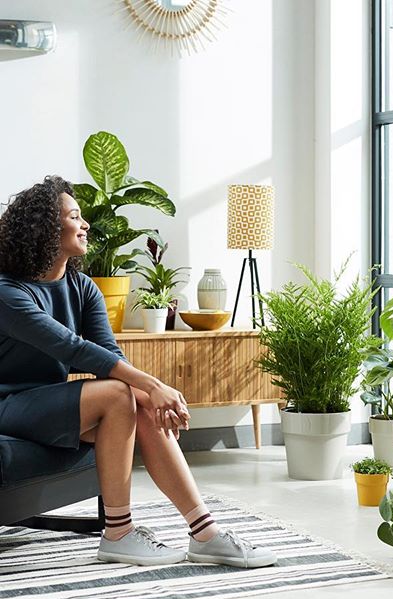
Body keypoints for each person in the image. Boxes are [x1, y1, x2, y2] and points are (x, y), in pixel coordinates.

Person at [0, 176, 276, 568]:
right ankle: (119, 533)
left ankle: (205, 533)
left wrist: (150, 395)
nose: (85, 224)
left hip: (43, 405)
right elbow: (69, 347)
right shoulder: (7, 291)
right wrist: (156, 384)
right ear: (44, 228)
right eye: (75, 216)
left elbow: (110, 357)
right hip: (8, 407)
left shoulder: (82, 287)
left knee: (137, 399)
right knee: (120, 394)